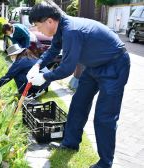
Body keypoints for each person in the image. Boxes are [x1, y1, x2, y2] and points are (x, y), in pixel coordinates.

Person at [26, 1, 130, 168]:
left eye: (38, 26)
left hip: (114, 65)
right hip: (94, 66)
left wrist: (45, 77)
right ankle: (70, 143)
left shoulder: (72, 30)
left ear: (49, 21)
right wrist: (37, 64)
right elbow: (53, 50)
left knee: (104, 117)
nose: (38, 30)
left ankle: (105, 163)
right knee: (78, 104)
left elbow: (66, 68)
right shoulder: (60, 28)